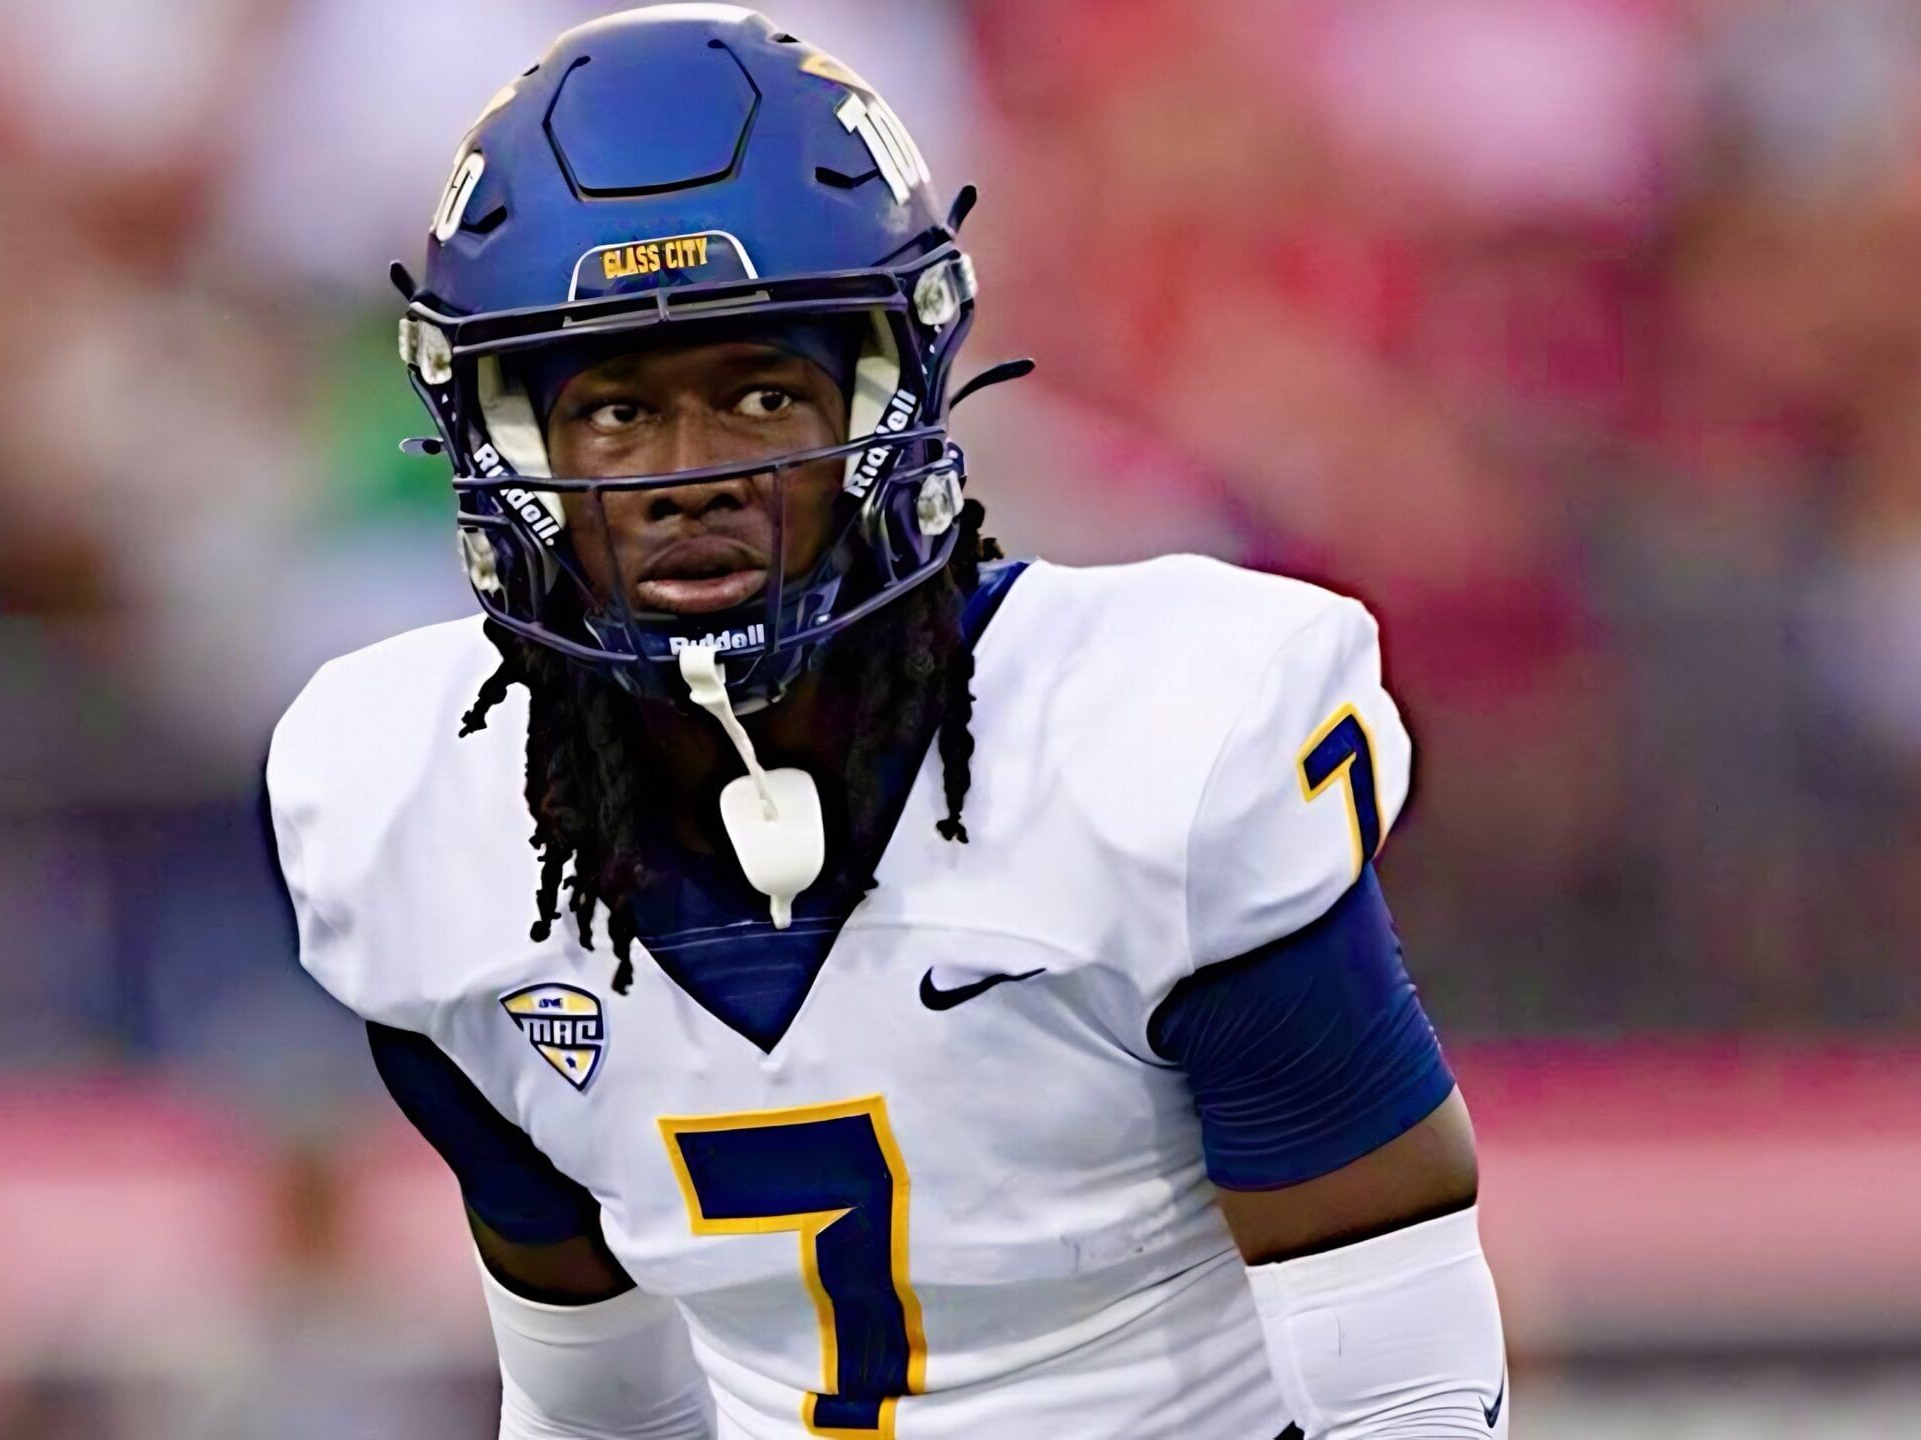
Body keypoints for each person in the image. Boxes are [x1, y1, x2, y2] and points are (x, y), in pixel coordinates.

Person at [266, 7, 1509, 1436]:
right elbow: (591, 1400)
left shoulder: (1160, 746)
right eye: (613, 413)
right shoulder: (421, 813)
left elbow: (1400, 1380)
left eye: (760, 393)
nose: (689, 475)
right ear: (508, 450)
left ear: (891, 397)